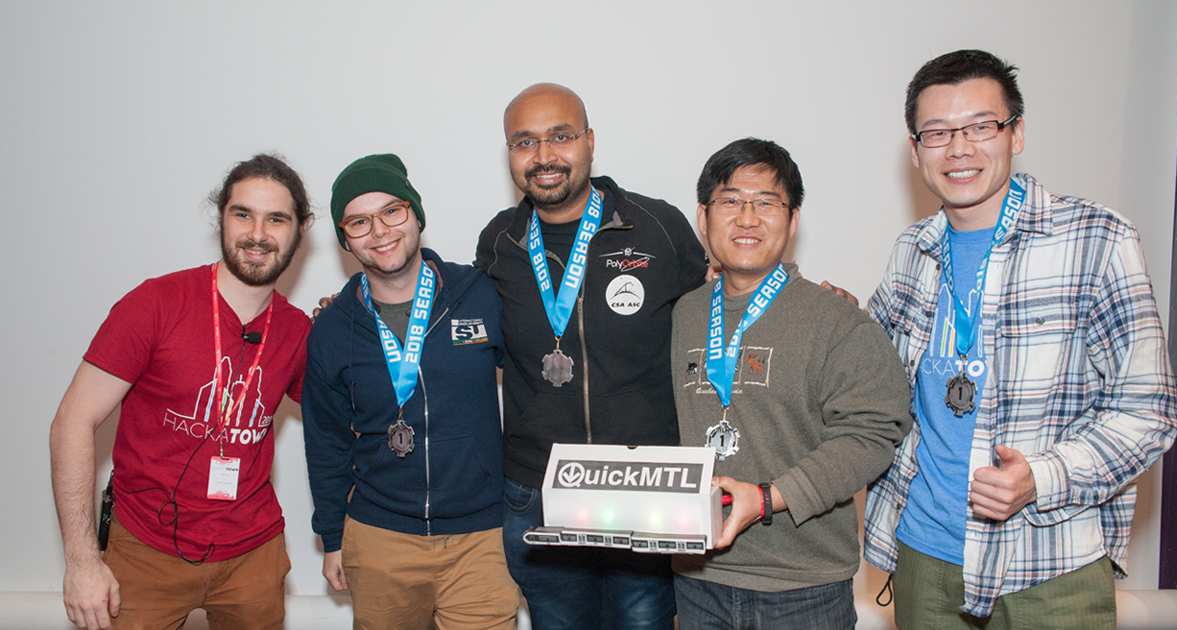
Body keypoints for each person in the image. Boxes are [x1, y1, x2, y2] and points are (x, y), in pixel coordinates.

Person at [862, 49, 1177, 628]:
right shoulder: (913, 250)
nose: (959, 148)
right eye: (937, 132)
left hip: (1049, 562)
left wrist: (1043, 477)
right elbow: (867, 369)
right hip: (923, 555)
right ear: (915, 150)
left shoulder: (1097, 239)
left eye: (981, 126)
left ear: (1017, 133)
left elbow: (1147, 412)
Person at [474, 83, 709, 629]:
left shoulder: (657, 226)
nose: (544, 156)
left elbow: (719, 308)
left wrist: (803, 297)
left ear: (590, 142)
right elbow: (459, 316)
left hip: (646, 483)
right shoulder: (500, 242)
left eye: (561, 136)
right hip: (537, 484)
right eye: (525, 142)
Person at [49, 154, 313, 630]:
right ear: (221, 217)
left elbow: (348, 416)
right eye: (243, 214)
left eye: (276, 219)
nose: (258, 234)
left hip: (253, 555)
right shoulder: (154, 304)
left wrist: (353, 323)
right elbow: (73, 420)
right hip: (144, 550)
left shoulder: (298, 331)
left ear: (300, 229)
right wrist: (82, 561)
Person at [669, 138, 912, 629]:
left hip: (802, 587)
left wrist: (767, 497)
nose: (747, 218)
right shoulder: (683, 314)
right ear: (703, 217)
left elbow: (873, 434)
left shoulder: (836, 321)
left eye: (766, 203)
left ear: (793, 220)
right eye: (730, 201)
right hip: (698, 579)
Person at [302, 154, 518, 630]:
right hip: (379, 537)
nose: (379, 231)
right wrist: (332, 538)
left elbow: (535, 385)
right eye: (359, 222)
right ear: (344, 239)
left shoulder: (480, 295)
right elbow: (325, 443)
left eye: (392, 211)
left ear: (416, 214)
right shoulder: (332, 329)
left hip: (481, 537)